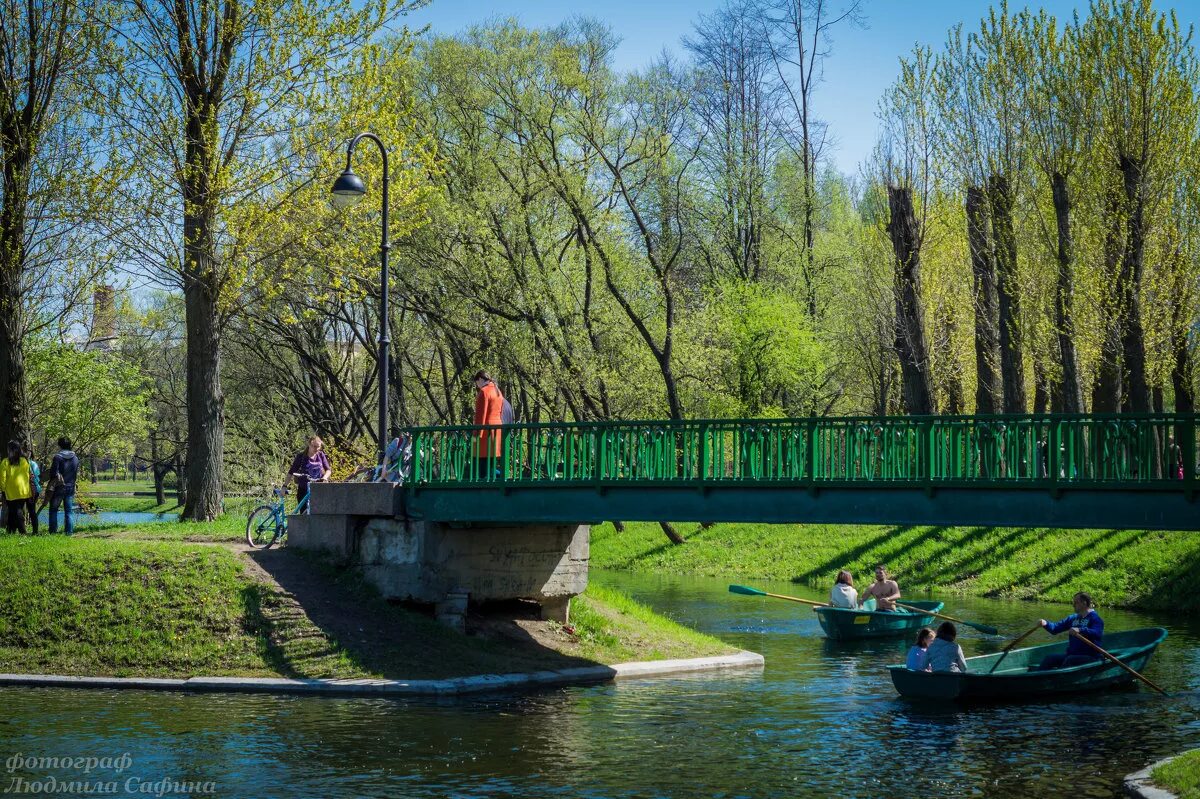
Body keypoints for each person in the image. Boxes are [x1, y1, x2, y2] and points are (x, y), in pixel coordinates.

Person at [1037, 591, 1104, 671]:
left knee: (1070, 660)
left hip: (1091, 657)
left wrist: (1080, 630)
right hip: (1072, 655)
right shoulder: (1072, 618)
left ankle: (1057, 679)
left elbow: (1097, 633)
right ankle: (1037, 678)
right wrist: (1045, 623)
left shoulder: (1095, 618)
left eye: (1076, 602)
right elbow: (1055, 629)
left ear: (1084, 603)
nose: (1073, 605)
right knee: (1050, 658)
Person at [285, 436, 331, 512]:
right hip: (303, 490)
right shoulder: (301, 457)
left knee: (319, 513)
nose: (316, 449)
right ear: (309, 444)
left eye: (318, 447)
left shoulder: (321, 455)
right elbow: (291, 472)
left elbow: (328, 470)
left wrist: (325, 477)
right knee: (304, 514)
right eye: (314, 446)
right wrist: (284, 486)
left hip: (318, 489)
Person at [472, 370, 504, 478]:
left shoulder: (484, 392)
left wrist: (476, 434)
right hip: (497, 430)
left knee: (482, 464)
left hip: (486, 432)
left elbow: (481, 415)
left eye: (476, 383)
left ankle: (495, 478)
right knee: (491, 461)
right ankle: (500, 478)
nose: (477, 386)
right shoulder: (497, 390)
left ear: (480, 379)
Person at [45, 437, 79, 536]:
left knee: (53, 510)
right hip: (70, 487)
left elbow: (54, 473)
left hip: (58, 488)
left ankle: (53, 532)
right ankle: (69, 533)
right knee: (68, 511)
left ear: (59, 445)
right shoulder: (75, 458)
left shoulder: (57, 457)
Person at [0, 440, 32, 534]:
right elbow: (27, 475)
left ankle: (23, 532)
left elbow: (2, 478)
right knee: (13, 511)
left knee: (17, 512)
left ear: (10, 450)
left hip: (11, 491)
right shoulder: (24, 461)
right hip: (24, 490)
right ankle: (10, 531)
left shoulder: (5, 462)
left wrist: (3, 490)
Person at [23, 443, 40, 535]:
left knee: (24, 510)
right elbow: (37, 476)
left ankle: (27, 531)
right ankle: (35, 531)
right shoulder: (34, 464)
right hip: (34, 490)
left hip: (28, 490)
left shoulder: (24, 464)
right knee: (32, 511)